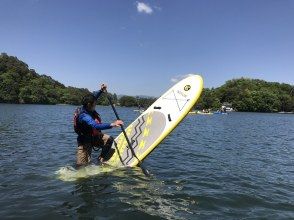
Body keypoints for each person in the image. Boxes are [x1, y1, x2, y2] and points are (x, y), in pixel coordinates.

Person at [74, 84, 123, 166]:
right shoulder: (83, 116)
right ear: (89, 105)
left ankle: (101, 159)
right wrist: (113, 124)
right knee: (81, 166)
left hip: (94, 136)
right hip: (84, 141)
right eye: (95, 104)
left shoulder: (88, 105)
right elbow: (95, 126)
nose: (95, 105)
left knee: (109, 139)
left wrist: (101, 90)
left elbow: (94, 97)